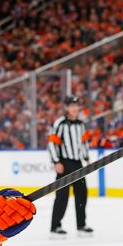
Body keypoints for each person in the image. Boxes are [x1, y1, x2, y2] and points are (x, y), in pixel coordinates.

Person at [47, 95, 92, 237]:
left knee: (82, 194)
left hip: (78, 163)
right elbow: (52, 143)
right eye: (71, 105)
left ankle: (81, 225)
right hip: (64, 163)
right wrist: (56, 162)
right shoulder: (60, 123)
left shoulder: (81, 124)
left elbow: (84, 143)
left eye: (76, 105)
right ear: (66, 108)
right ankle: (55, 226)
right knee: (62, 196)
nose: (74, 108)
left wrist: (86, 158)